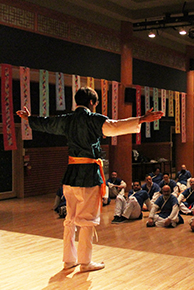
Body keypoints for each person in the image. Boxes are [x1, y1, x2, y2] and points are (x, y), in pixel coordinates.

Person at [16, 86, 163, 272]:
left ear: (77, 101)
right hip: (88, 175)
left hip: (70, 174)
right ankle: (85, 262)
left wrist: (29, 119)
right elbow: (115, 126)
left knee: (70, 219)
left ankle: (69, 260)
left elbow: (47, 124)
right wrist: (141, 119)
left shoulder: (67, 119)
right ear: (92, 103)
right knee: (87, 220)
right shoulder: (94, 119)